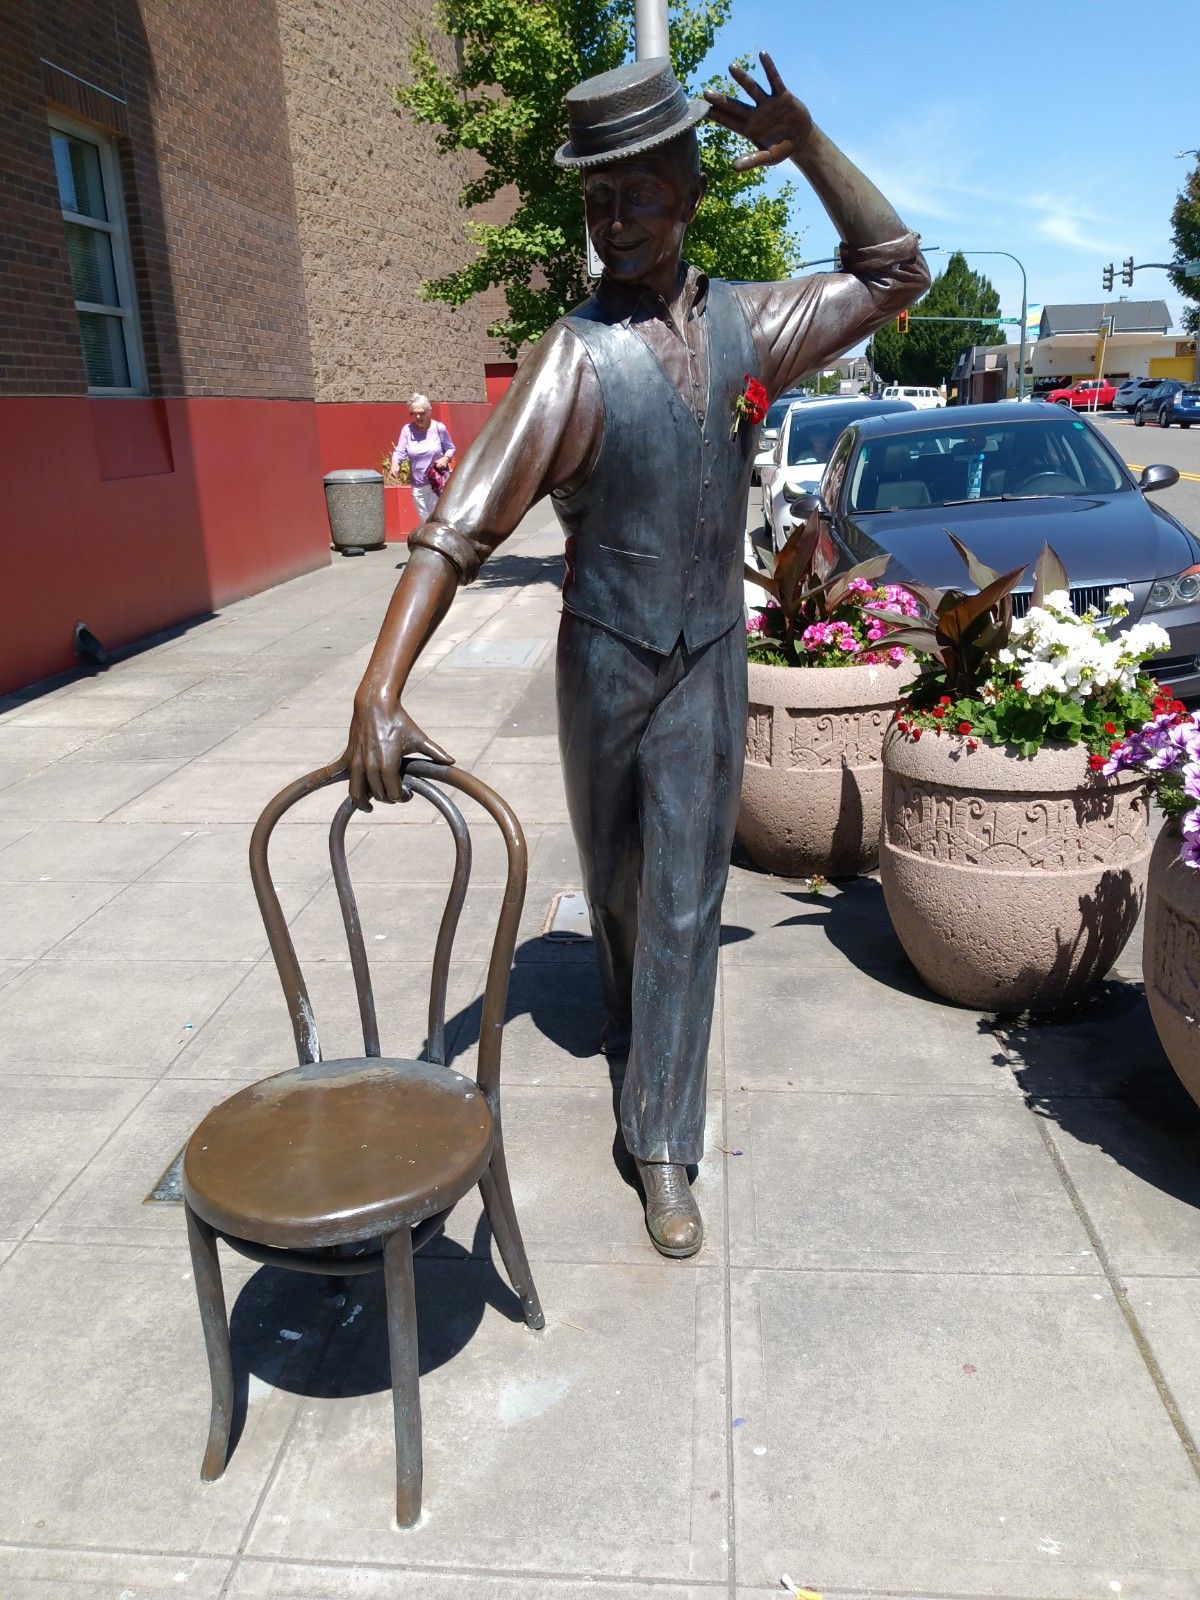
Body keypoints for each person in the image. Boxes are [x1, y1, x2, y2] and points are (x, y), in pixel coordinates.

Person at [347, 52, 928, 1258]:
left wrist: (812, 145)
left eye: (638, 194)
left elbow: (894, 269)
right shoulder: (570, 357)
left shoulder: (753, 323)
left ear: (690, 190)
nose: (614, 222)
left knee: (681, 897)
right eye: (595, 201)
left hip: (710, 658)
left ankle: (661, 1142)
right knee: (620, 894)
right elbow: (457, 530)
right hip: (604, 660)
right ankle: (634, 1027)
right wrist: (380, 687)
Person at [389, 393, 455, 521]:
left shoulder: (439, 428)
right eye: (414, 413)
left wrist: (445, 458)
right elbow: (400, 451)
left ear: (429, 412)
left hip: (438, 483)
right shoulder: (407, 430)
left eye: (422, 413)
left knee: (441, 521)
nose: (418, 417)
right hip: (418, 485)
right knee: (426, 523)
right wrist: (395, 462)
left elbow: (450, 448)